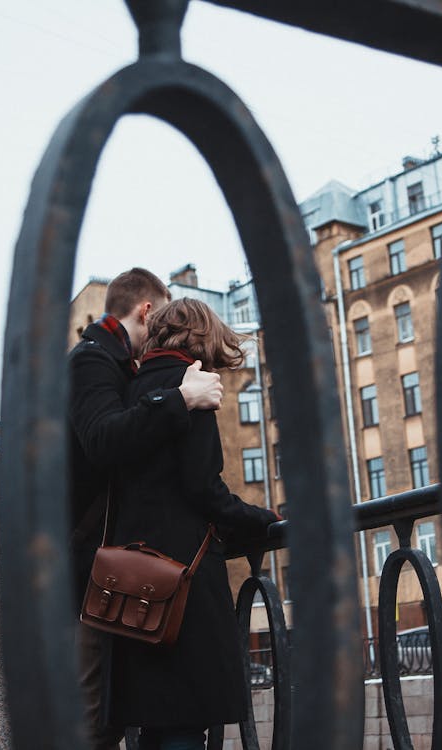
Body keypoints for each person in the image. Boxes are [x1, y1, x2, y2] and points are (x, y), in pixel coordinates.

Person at [107, 298, 280, 750]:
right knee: (186, 716)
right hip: (182, 577)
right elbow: (203, 487)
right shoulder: (192, 386)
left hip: (130, 575)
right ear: (203, 335)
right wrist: (263, 519)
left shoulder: (131, 389)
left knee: (155, 720)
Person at [68, 268, 224, 750]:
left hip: (118, 564)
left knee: (120, 715)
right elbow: (103, 439)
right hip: (91, 568)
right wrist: (181, 397)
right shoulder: (91, 359)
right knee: (94, 719)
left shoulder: (120, 365)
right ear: (147, 310)